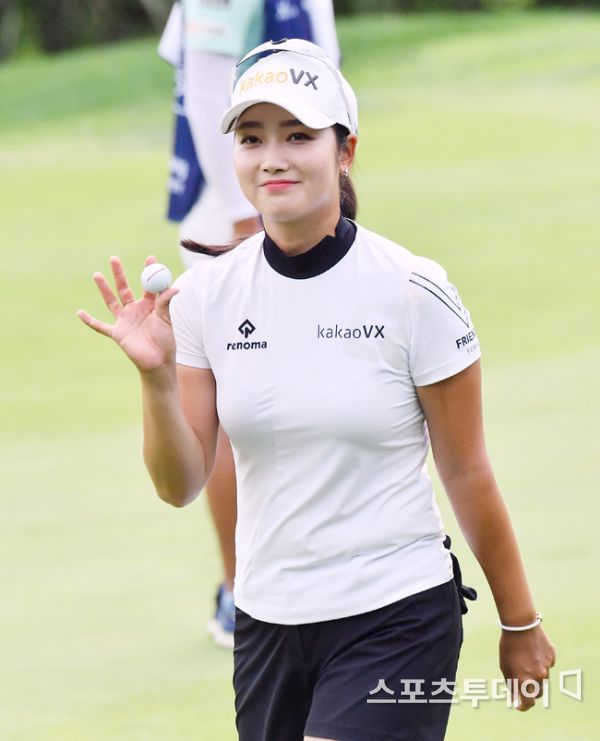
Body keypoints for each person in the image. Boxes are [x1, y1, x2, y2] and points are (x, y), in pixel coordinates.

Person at [78, 38, 556, 741]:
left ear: (345, 151)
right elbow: (178, 484)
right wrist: (155, 379)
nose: (272, 157)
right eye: (252, 138)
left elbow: (465, 467)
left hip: (397, 611)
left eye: (298, 135)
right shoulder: (206, 295)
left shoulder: (412, 289)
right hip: (268, 622)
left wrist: (520, 621)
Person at [159, 0, 341, 648]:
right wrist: (252, 231)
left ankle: (313, 572)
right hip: (242, 216)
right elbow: (212, 90)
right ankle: (243, 592)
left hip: (297, 207)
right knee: (235, 411)